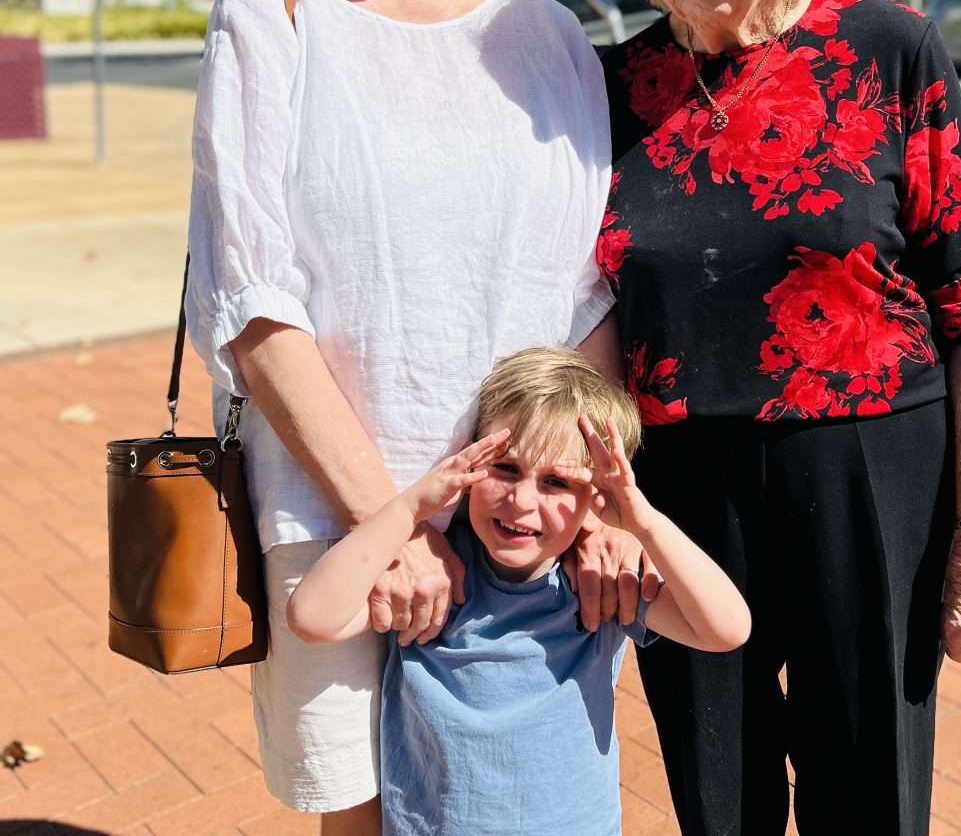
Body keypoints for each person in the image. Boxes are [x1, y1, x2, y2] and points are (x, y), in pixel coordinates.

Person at [186, 0, 642, 836]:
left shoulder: (544, 35)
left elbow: (588, 298)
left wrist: (586, 505)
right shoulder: (271, 12)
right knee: (366, 819)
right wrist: (391, 524)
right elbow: (250, 304)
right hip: (339, 530)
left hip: (524, 529)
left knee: (521, 805)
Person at [595, 0, 961, 835]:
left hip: (874, 477)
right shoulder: (614, 86)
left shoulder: (888, 48)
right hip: (682, 492)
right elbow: (582, 308)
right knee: (716, 798)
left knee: (868, 792)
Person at [287, 346, 751, 836]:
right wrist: (405, 511)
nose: (521, 500)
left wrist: (644, 522)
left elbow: (726, 629)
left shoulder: (595, 585)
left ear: (597, 499)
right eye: (505, 468)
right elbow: (313, 617)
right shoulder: (438, 576)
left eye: (556, 482)